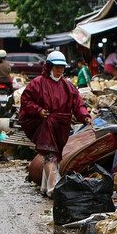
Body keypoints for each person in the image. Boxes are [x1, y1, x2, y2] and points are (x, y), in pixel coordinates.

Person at [18, 50, 92, 196]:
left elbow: (78, 104)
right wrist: (38, 110)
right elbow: (26, 101)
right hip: (46, 125)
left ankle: (46, 187)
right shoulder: (37, 84)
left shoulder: (68, 86)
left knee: (54, 155)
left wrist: (85, 116)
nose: (59, 71)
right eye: (57, 67)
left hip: (62, 126)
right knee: (50, 154)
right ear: (49, 67)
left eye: (62, 68)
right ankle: (54, 189)